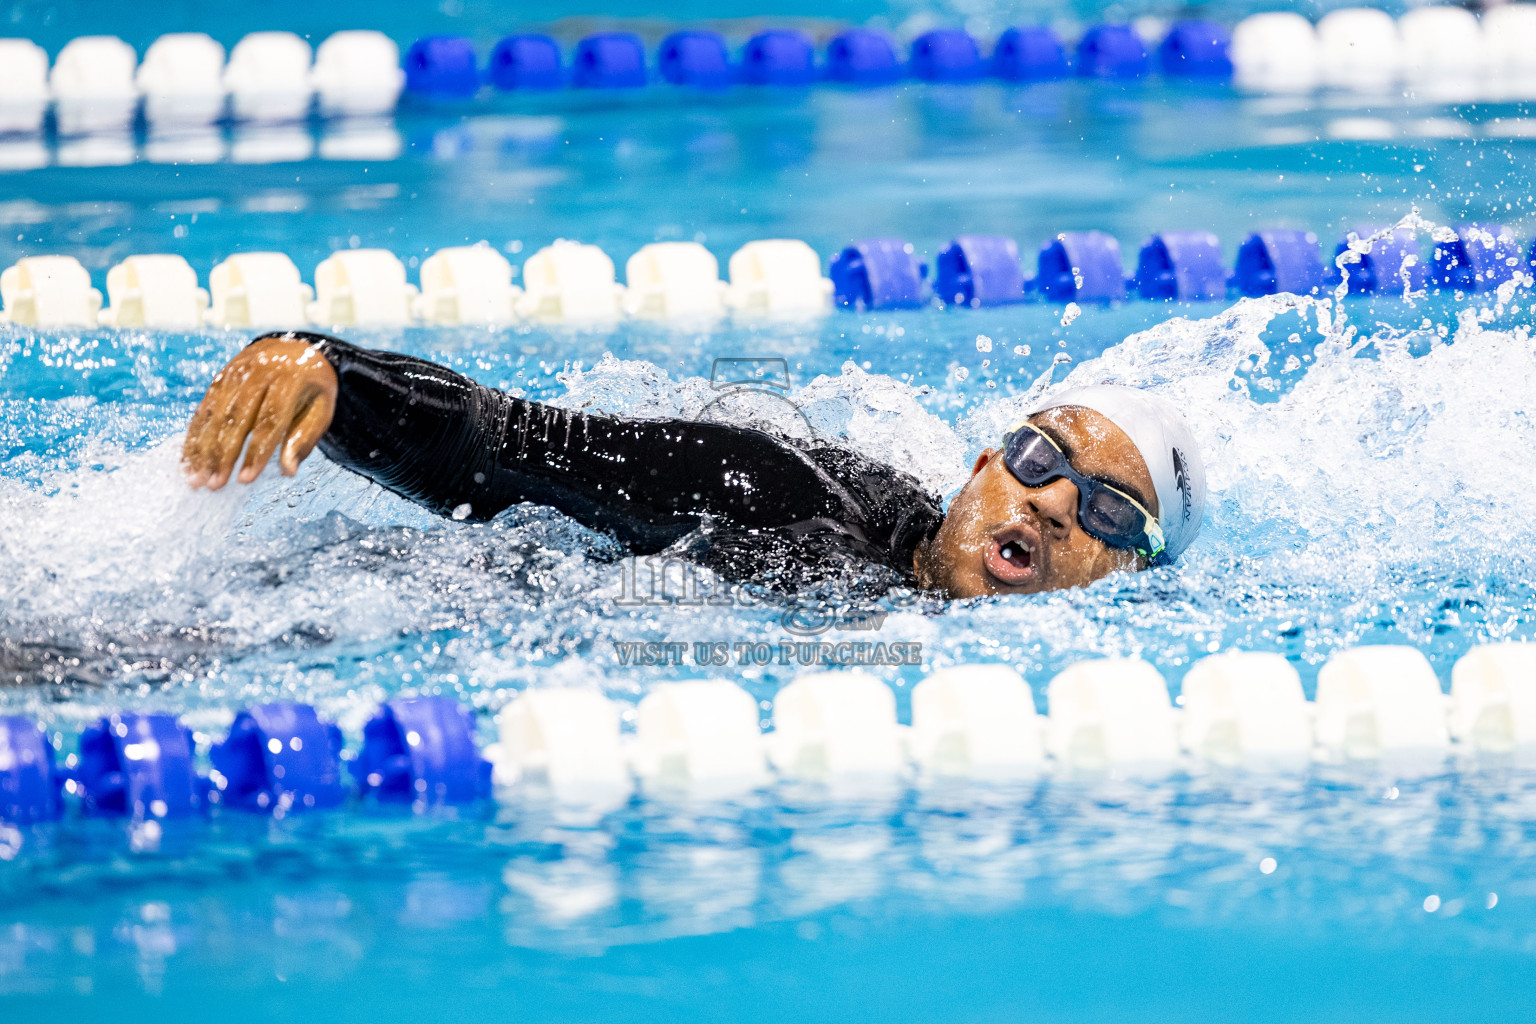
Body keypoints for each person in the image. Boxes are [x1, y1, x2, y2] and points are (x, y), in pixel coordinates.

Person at [182, 332, 1205, 598]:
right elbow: (515, 449)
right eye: (1038, 455)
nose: (1055, 502)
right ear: (978, 467)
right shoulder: (772, 495)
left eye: (1113, 512)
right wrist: (336, 374)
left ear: (1133, 577)